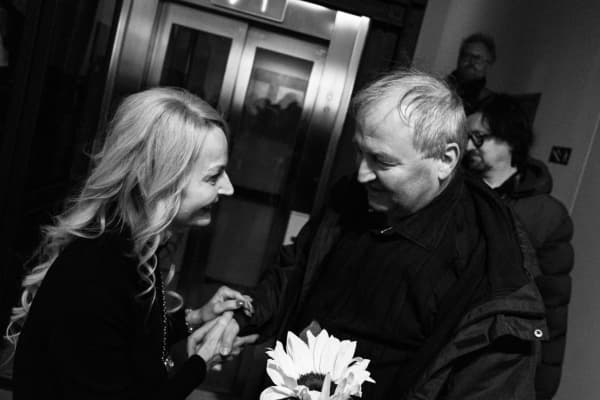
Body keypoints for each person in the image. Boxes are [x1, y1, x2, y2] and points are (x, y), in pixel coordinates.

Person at [218, 70, 547, 399]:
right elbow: (296, 270)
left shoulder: (486, 262)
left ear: (445, 160)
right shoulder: (349, 196)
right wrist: (247, 315)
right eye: (359, 152)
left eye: (382, 161)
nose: (362, 174)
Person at [6, 87, 257, 399]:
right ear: (163, 180)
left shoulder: (131, 247)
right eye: (212, 176)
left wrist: (193, 319)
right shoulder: (99, 271)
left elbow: (127, 340)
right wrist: (201, 363)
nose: (228, 188)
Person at [464, 94, 574, 400]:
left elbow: (552, 309)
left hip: (495, 363)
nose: (468, 146)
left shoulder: (547, 216)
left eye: (479, 137)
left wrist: (542, 387)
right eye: (466, 136)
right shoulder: (456, 194)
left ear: (510, 140)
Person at [446, 33, 496, 114]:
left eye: (477, 58)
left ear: (488, 64)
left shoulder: (489, 102)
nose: (471, 61)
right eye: (466, 56)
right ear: (459, 58)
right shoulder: (440, 87)